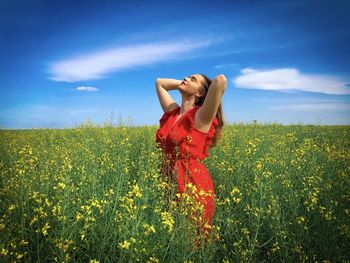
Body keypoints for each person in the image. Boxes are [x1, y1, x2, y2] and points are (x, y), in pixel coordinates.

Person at [155, 73, 227, 246]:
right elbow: (160, 82)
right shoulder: (172, 113)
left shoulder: (202, 116)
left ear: (201, 93)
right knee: (171, 241)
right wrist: (185, 83)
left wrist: (207, 92)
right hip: (168, 182)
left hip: (192, 184)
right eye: (186, 77)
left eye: (192, 79)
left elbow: (220, 81)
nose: (186, 79)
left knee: (190, 242)